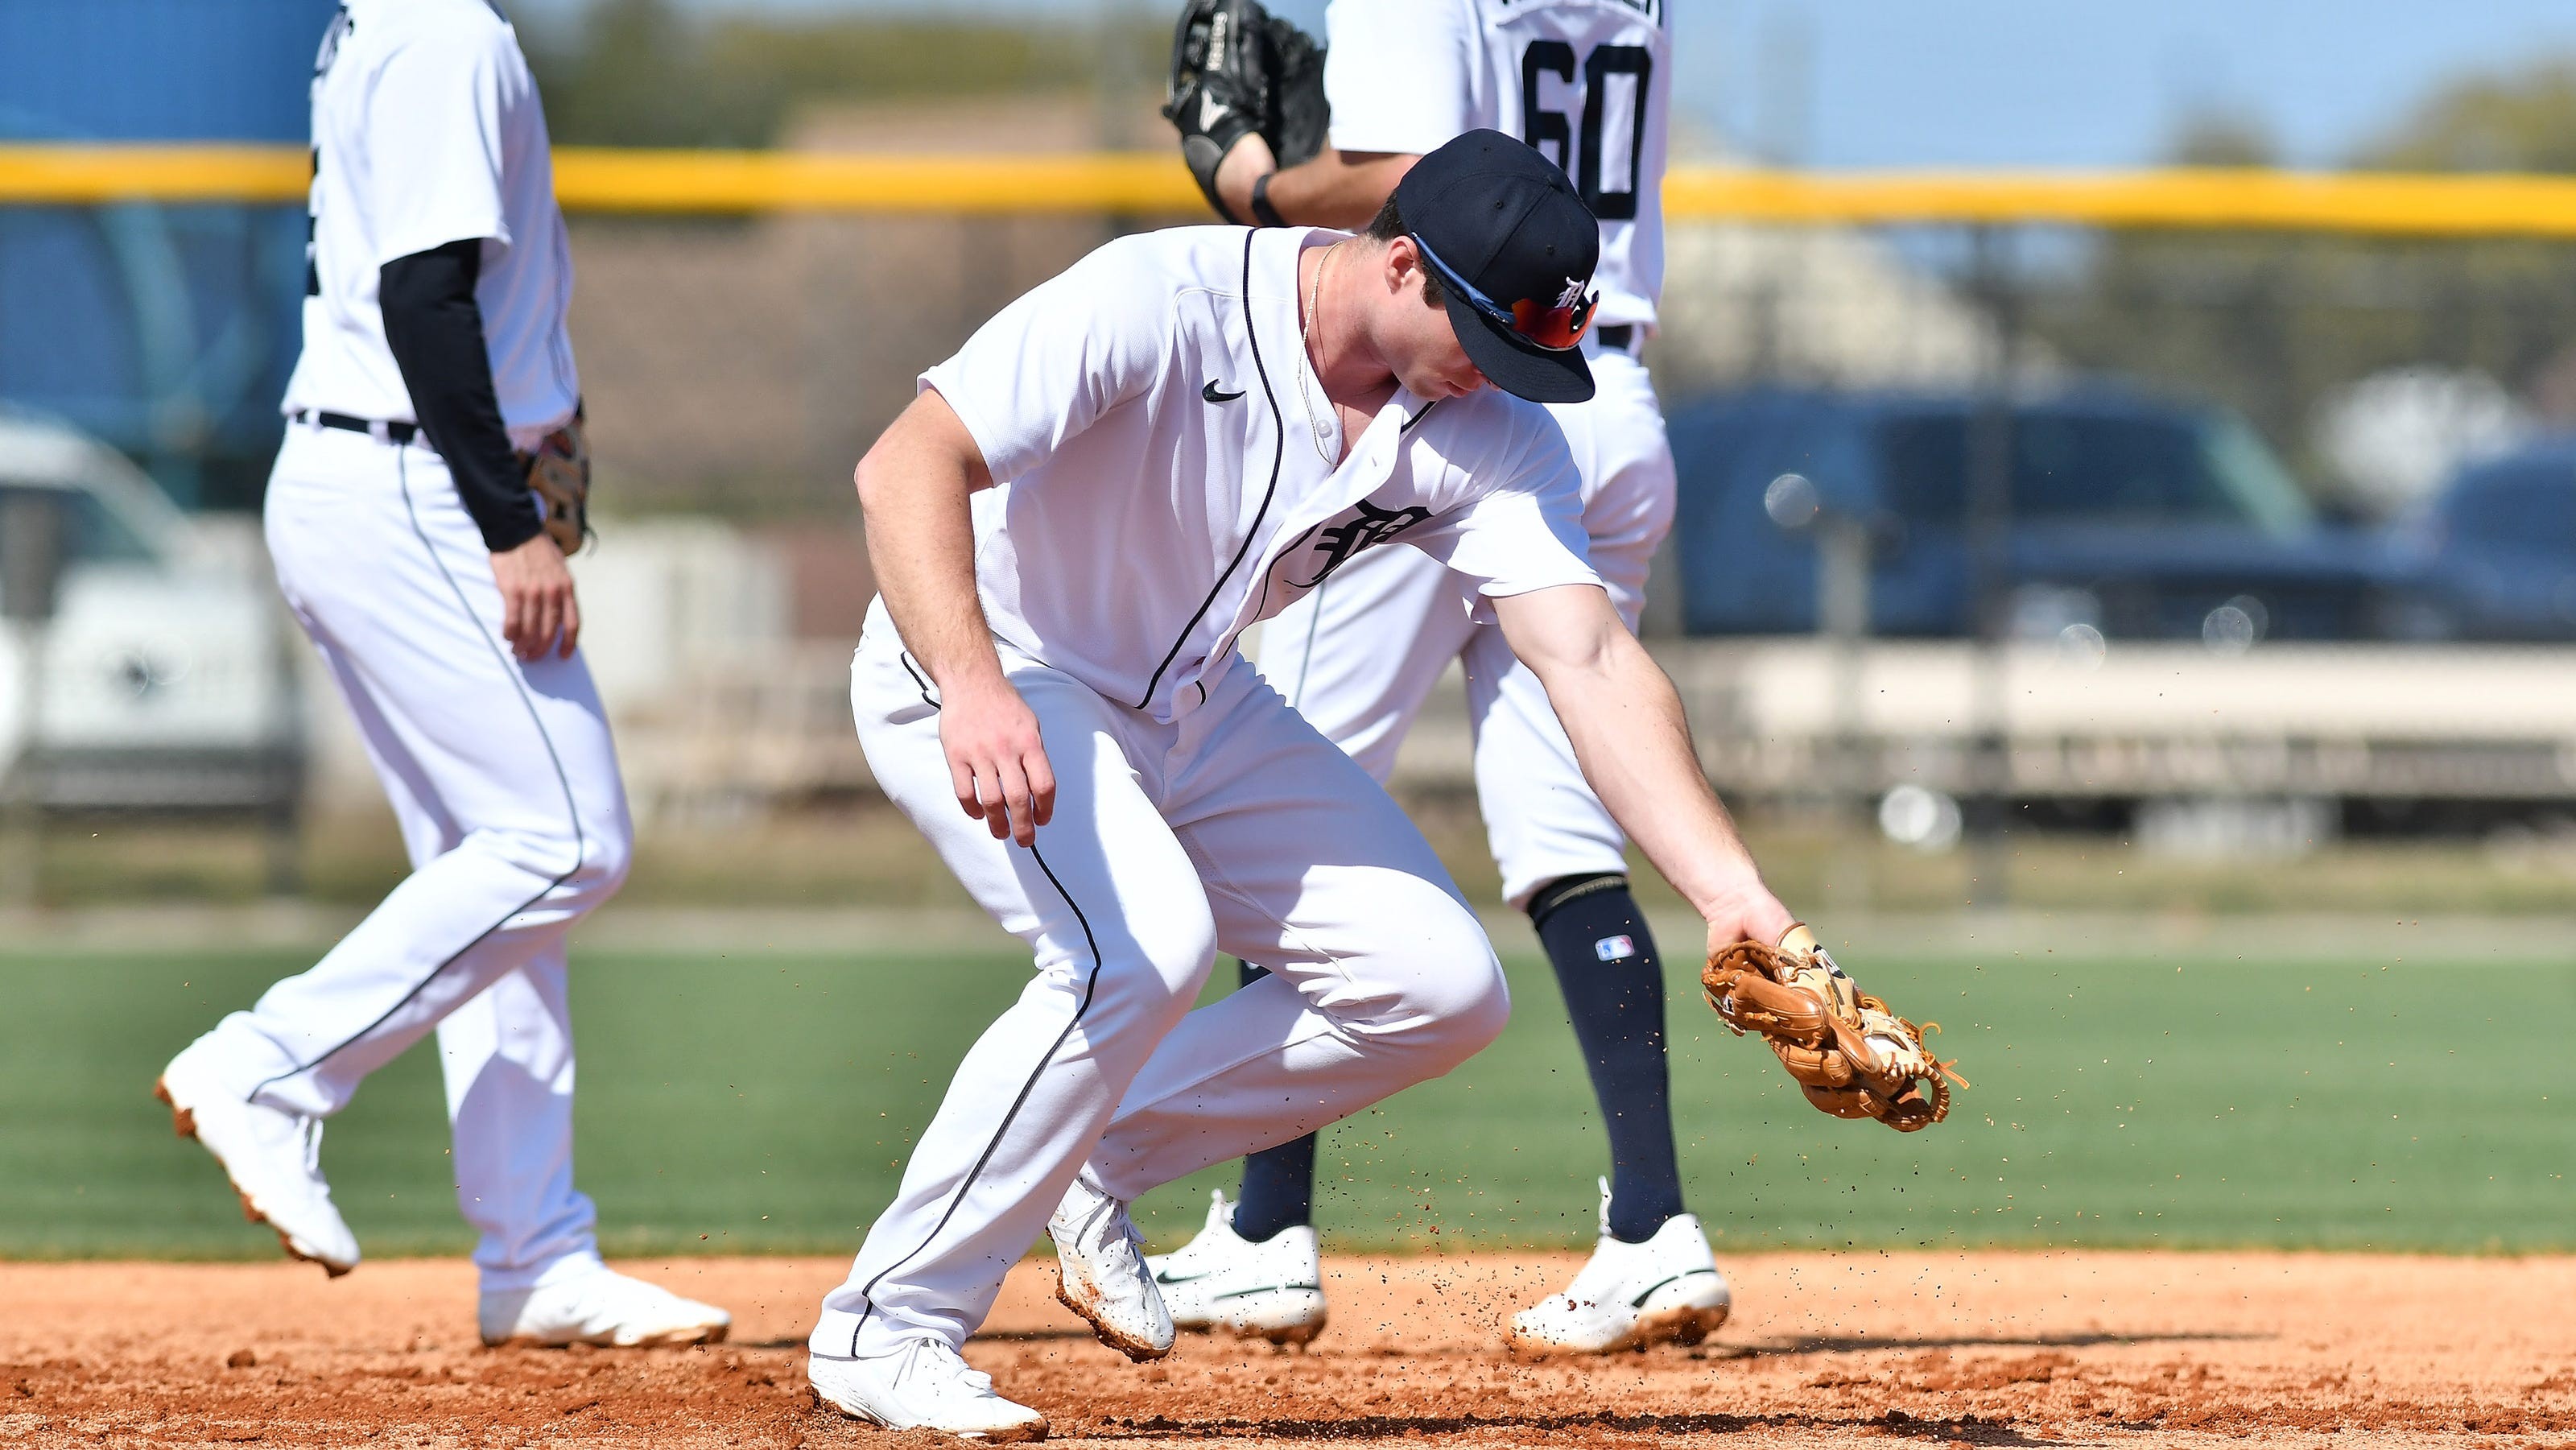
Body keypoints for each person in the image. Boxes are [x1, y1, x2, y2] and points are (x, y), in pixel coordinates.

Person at [804, 130, 1794, 1441]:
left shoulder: (1483, 425)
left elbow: (1593, 656)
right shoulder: (1160, 300)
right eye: (1487, 340)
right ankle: (888, 1322)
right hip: (994, 663)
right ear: (1400, 262)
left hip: (1194, 703)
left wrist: (1736, 895)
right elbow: (904, 464)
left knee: (1439, 985)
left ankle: (1096, 1151)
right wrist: (975, 683)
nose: (1493, 382)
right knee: (1143, 947)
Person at [153, 0, 729, 1350]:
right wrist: (507, 516)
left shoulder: (386, 21)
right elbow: (424, 290)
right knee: (568, 837)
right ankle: (271, 1063)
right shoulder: (446, 30)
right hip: (408, 483)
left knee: (497, 873)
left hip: (376, 472)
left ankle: (533, 1253)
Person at [1147, 0, 1710, 1355]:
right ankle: (1653, 1228)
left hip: (1460, 390)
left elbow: (1412, 177)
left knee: (1283, 791)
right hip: (1598, 384)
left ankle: (1266, 1228)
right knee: (1561, 814)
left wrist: (1254, 181)